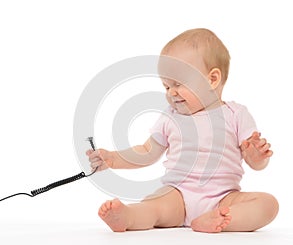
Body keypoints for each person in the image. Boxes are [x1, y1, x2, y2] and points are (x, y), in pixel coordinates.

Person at [86, 28, 279, 233]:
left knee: (268, 204)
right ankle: (129, 216)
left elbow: (256, 162)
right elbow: (147, 151)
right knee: (154, 207)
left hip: (224, 198)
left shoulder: (236, 114)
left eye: (178, 84)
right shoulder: (171, 117)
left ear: (212, 79)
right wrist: (113, 159)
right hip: (178, 195)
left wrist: (257, 156)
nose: (171, 93)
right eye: (166, 86)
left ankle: (218, 220)